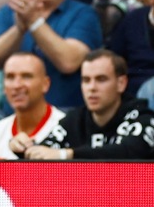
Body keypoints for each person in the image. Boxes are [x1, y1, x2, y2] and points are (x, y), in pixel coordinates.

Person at [15, 50, 154, 160]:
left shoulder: (141, 117)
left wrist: (67, 155)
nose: (92, 88)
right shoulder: (74, 119)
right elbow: (46, 151)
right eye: (86, 80)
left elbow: (130, 152)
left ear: (121, 83)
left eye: (101, 79)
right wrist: (24, 148)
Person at [0, 52, 65, 159]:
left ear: (45, 84)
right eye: (10, 77)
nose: (17, 85)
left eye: (26, 76)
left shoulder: (66, 127)